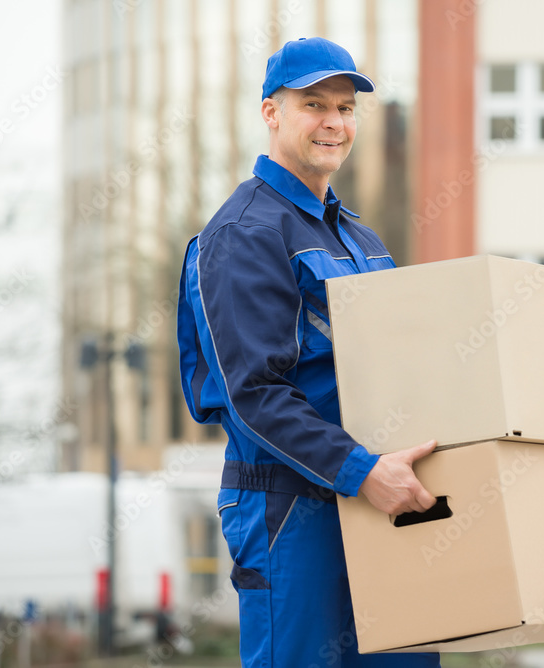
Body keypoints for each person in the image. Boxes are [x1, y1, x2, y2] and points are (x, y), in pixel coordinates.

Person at [176, 37, 442, 668]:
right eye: (314, 104)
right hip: (291, 509)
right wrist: (360, 472)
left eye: (346, 108)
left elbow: (398, 368)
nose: (334, 122)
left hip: (381, 495)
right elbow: (253, 395)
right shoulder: (245, 234)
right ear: (271, 112)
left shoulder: (362, 238)